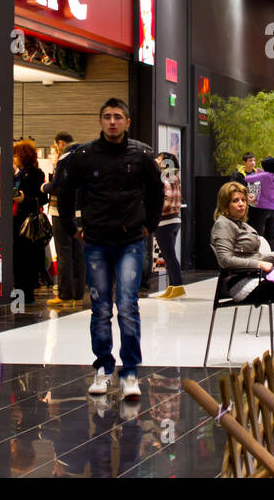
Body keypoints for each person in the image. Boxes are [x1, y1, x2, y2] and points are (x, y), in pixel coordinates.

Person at [56, 98, 163, 401]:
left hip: (131, 240)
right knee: (101, 308)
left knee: (128, 306)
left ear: (127, 122)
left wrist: (149, 225)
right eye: (107, 117)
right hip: (96, 241)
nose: (112, 122)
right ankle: (103, 368)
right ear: (100, 121)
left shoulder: (142, 155)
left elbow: (157, 193)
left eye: (118, 117)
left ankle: (130, 372)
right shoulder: (84, 156)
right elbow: (64, 192)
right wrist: (71, 226)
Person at [210, 182, 274, 306]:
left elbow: (256, 256)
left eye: (244, 200)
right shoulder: (223, 225)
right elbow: (225, 260)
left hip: (256, 277)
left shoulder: (242, 225)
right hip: (240, 282)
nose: (241, 204)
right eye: (235, 200)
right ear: (225, 204)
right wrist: (259, 264)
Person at [45, 132, 84, 304]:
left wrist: (45, 186)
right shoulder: (83, 156)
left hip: (61, 211)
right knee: (77, 251)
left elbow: (57, 186)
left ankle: (64, 293)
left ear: (60, 143)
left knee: (63, 252)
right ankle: (78, 292)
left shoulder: (66, 158)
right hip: (78, 211)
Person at [12, 139, 48, 300]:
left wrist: (24, 199)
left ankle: (26, 296)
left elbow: (42, 199)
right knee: (19, 259)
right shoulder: (16, 173)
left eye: (16, 155)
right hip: (16, 219)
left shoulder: (35, 173)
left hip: (28, 222)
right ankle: (21, 294)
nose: (13, 158)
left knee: (26, 260)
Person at [153, 152, 186, 299]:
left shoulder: (163, 178)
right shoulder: (174, 177)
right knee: (169, 255)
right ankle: (172, 286)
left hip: (164, 221)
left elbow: (165, 199)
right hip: (175, 220)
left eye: (159, 159)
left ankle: (178, 285)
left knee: (169, 256)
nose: (157, 161)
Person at [245, 156, 274, 248]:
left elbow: (247, 179)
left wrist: (259, 173)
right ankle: (273, 254)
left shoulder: (265, 175)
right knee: (270, 236)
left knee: (257, 233)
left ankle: (257, 253)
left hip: (262, 208)